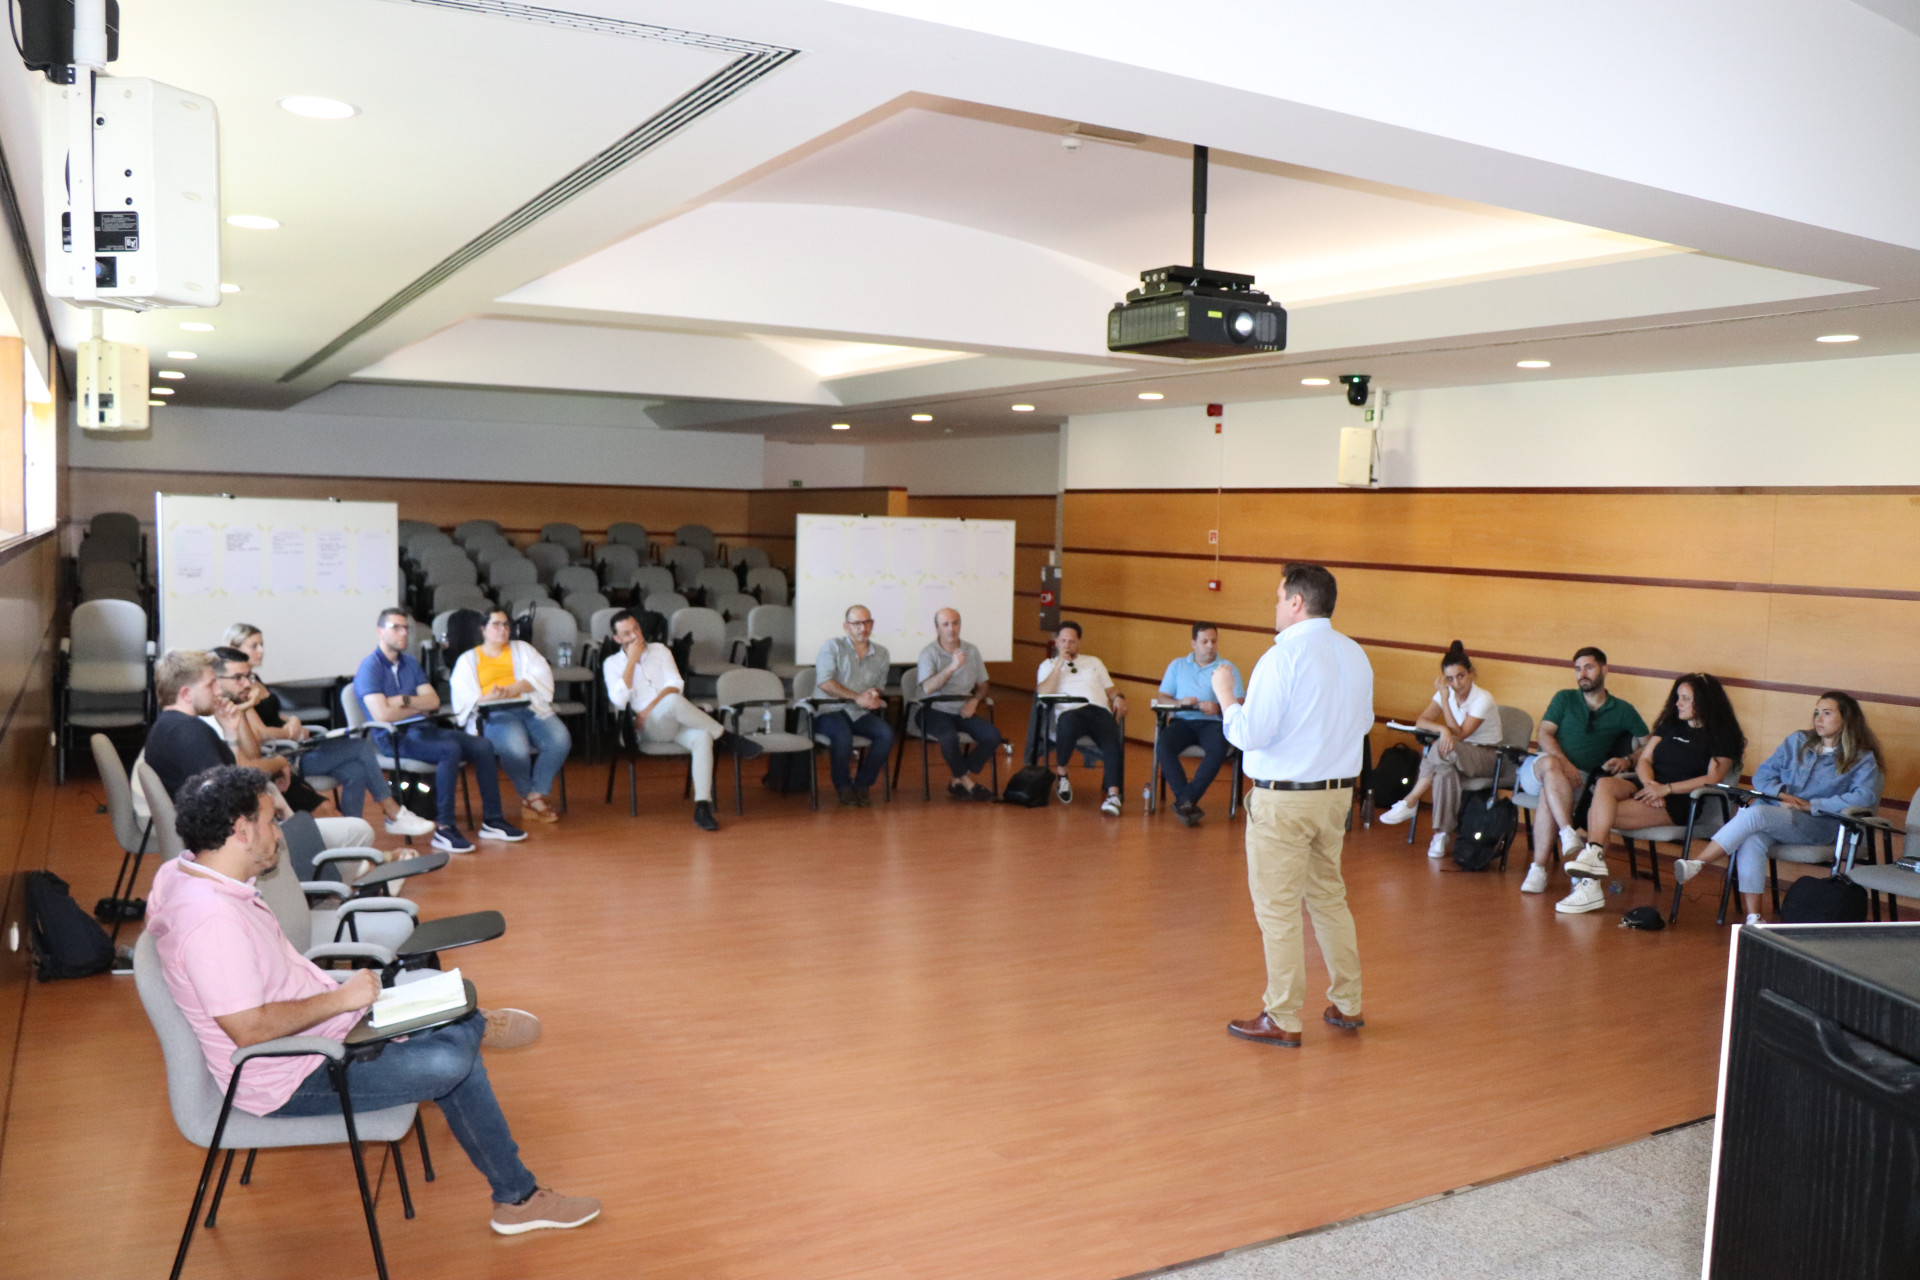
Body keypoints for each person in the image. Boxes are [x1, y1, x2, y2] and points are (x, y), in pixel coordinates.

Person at [145, 764, 601, 1237]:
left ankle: (469, 1031)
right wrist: (341, 1000)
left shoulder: (187, 873)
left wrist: (340, 1002)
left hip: (319, 1031)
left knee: (444, 1012)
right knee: (453, 1062)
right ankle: (516, 1191)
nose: (278, 831)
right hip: (291, 1073)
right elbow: (249, 1028)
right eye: (270, 820)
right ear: (241, 831)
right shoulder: (211, 920)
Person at [1216, 565, 1373, 1048]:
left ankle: (1282, 1015)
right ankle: (1348, 1003)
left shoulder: (1281, 657)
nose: (1276, 605)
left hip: (1283, 801)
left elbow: (1249, 734)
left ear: (1297, 603)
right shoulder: (1355, 654)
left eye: (1279, 597)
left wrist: (1226, 698)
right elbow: (1363, 725)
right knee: (1328, 898)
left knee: (1278, 910)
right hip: (1334, 797)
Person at [143, 650, 383, 854]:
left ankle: (340, 882)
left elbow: (226, 779)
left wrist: (232, 735)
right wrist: (269, 803)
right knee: (359, 831)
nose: (218, 691)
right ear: (185, 693)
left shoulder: (166, 727)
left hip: (224, 836)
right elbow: (225, 797)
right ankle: (342, 885)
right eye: (210, 684)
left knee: (335, 824)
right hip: (235, 844)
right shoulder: (189, 733)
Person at [1674, 692, 1884, 925]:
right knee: (1752, 837)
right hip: (1779, 816)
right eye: (1816, 712)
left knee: (1756, 813)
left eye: (1827, 713)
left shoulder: (1861, 758)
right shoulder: (1797, 741)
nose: (1818, 719)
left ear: (1846, 719)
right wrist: (1781, 795)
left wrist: (1812, 805)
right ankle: (1754, 918)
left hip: (1820, 825)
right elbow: (1763, 775)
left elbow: (1864, 797)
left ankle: (1699, 863)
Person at [222, 625, 433, 837]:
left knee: (356, 771)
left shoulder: (255, 681)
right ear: (236, 649)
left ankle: (352, 836)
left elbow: (275, 717)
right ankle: (393, 812)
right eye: (254, 646)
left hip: (298, 744)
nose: (261, 650)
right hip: (288, 754)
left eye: (262, 645)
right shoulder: (243, 691)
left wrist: (294, 720)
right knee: (360, 747)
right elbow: (261, 733)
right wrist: (290, 733)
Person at [352, 609, 526, 854]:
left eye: (406, 628)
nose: (403, 633)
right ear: (380, 632)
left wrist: (402, 700)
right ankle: (444, 828)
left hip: (424, 728)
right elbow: (382, 715)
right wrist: (414, 704)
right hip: (393, 738)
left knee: (483, 745)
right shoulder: (370, 667)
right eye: (396, 628)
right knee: (449, 750)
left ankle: (493, 821)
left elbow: (433, 701)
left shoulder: (410, 662)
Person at [1576, 674, 1744, 904]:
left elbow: (1713, 777)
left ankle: (1589, 883)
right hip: (1649, 785)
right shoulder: (1670, 725)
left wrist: (1666, 790)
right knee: (1604, 784)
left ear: (1704, 702)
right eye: (1678, 697)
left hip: (1680, 800)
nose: (1678, 703)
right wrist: (1650, 786)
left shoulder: (1723, 735)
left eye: (1685, 698)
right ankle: (1592, 866)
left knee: (1597, 812)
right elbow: (1644, 761)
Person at [602, 609, 761, 830]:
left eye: (636, 629)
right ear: (617, 638)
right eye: (627, 633)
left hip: (672, 720)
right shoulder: (611, 663)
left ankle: (702, 806)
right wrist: (631, 662)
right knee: (674, 702)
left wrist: (647, 709)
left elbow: (676, 684)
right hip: (646, 729)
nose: (635, 636)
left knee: (702, 736)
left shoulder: (660, 650)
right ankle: (726, 737)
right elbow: (619, 700)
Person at [1518, 647, 1648, 906]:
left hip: (1578, 781)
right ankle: (1568, 832)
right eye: (1578, 669)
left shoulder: (1622, 709)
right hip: (1538, 768)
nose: (1582, 674)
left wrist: (1628, 760)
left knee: (1550, 793)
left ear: (1604, 669)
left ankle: (1539, 869)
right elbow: (1544, 734)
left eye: (1588, 667)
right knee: (1551, 768)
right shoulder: (1564, 698)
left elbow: (1648, 744)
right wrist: (1564, 763)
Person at [1377, 641, 1503, 859]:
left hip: (1487, 757)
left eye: (1461, 676)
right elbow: (1422, 721)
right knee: (1444, 772)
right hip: (1454, 755)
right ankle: (1442, 835)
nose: (1456, 683)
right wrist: (1442, 729)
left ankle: (1411, 800)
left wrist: (1445, 702)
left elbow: (1460, 734)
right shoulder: (1446, 692)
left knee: (1443, 748)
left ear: (1471, 673)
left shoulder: (1483, 698)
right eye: (1450, 679)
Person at [450, 609, 573, 824]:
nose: (503, 629)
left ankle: (534, 796)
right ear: (483, 629)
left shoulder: (522, 649)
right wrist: (488, 698)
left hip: (529, 707)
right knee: (516, 748)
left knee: (560, 739)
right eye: (496, 625)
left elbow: (540, 675)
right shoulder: (468, 659)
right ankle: (531, 799)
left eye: (506, 625)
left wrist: (512, 688)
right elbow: (463, 696)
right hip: (495, 712)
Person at [1153, 622, 1244, 828]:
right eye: (1204, 641)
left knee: (1218, 749)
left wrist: (1219, 707)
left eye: (1213, 641)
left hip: (1211, 723)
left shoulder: (1227, 668)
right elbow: (1162, 697)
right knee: (1164, 746)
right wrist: (1179, 703)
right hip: (1182, 720)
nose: (1210, 646)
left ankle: (1186, 799)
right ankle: (1186, 800)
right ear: (1193, 643)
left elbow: (1240, 701)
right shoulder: (1177, 665)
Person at [1036, 621, 1128, 816]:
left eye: (1072, 641)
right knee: (1068, 725)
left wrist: (1118, 697)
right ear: (1056, 642)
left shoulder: (1094, 662)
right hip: (1070, 712)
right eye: (1063, 641)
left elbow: (1109, 688)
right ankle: (1062, 773)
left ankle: (1113, 795)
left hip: (1097, 710)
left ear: (1079, 643)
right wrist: (1060, 664)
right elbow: (1043, 692)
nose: (1067, 645)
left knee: (1113, 742)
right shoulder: (1048, 665)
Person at [915, 607, 1001, 801]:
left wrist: (975, 700)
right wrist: (952, 667)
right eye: (945, 624)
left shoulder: (971, 650)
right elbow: (928, 688)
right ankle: (968, 782)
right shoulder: (929, 653)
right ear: (937, 628)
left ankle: (957, 779)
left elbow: (983, 685)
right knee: (949, 737)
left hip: (963, 708)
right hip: (934, 709)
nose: (951, 629)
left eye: (955, 623)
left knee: (992, 735)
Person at [813, 605, 894, 807]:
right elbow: (825, 683)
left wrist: (873, 694)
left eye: (867, 622)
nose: (862, 628)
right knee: (842, 735)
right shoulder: (832, 647)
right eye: (857, 623)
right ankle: (843, 786)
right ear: (846, 626)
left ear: (872, 624)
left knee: (886, 733)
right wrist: (857, 696)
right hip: (829, 709)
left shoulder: (882, 653)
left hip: (858, 712)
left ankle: (862, 785)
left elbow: (879, 686)